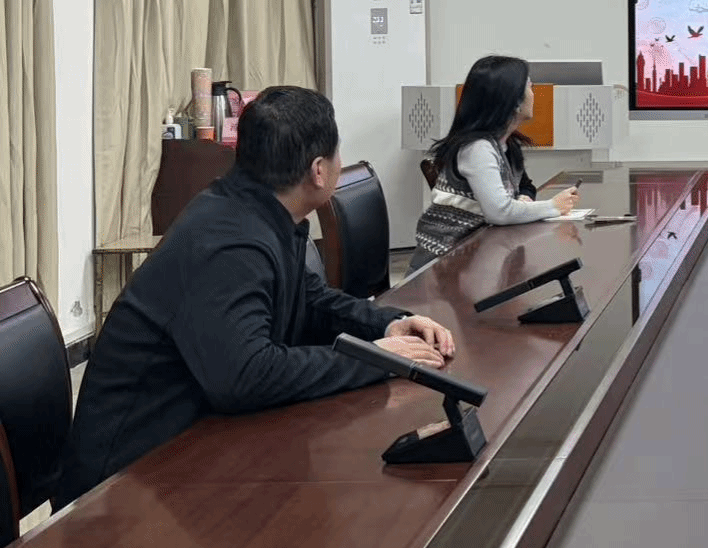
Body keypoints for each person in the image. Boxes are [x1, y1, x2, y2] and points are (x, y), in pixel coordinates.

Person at [56, 88, 455, 508]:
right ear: (319, 171)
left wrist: (388, 325)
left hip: (192, 448)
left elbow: (308, 298)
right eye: (338, 153)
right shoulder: (230, 242)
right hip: (124, 486)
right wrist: (375, 359)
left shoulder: (256, 209)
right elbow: (246, 376)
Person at [412, 56, 581, 270]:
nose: (534, 93)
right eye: (530, 87)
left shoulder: (506, 144)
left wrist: (524, 199)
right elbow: (499, 212)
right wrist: (553, 206)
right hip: (444, 266)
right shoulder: (478, 148)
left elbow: (524, 185)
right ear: (513, 101)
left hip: (475, 253)